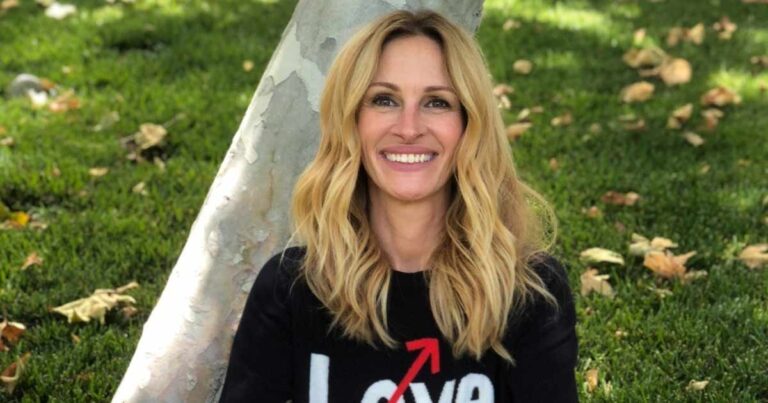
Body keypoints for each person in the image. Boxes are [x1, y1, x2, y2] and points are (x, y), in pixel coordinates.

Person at [219, 9, 578, 403]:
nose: (409, 128)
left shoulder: (528, 290)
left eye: (437, 102)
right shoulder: (292, 289)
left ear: (469, 126)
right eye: (384, 100)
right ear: (352, 123)